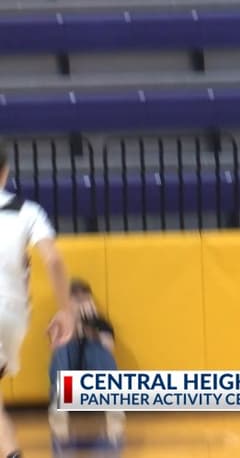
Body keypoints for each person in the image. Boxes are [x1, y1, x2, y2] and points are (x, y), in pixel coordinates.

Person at [0, 147, 75, 458]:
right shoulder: (27, 211)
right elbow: (53, 260)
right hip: (14, 314)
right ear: (5, 171)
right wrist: (66, 311)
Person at [48, 279, 124, 444]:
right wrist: (73, 323)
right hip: (70, 380)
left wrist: (90, 326)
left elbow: (108, 347)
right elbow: (54, 345)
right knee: (63, 345)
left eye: (84, 298)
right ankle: (60, 402)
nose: (80, 303)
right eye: (76, 298)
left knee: (97, 346)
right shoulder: (60, 320)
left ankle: (112, 402)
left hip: (93, 380)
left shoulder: (101, 322)